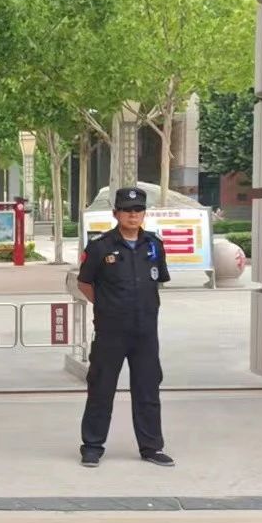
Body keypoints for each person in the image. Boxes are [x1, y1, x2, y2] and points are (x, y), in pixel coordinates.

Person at [76, 186, 175, 468]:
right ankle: (92, 446)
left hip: (145, 331)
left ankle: (151, 447)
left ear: (144, 213)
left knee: (147, 388)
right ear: (115, 213)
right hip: (111, 331)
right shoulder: (100, 247)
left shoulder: (154, 245)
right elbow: (84, 283)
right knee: (101, 387)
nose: (133, 215)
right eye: (127, 210)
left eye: (138, 210)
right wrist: (107, 306)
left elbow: (158, 280)